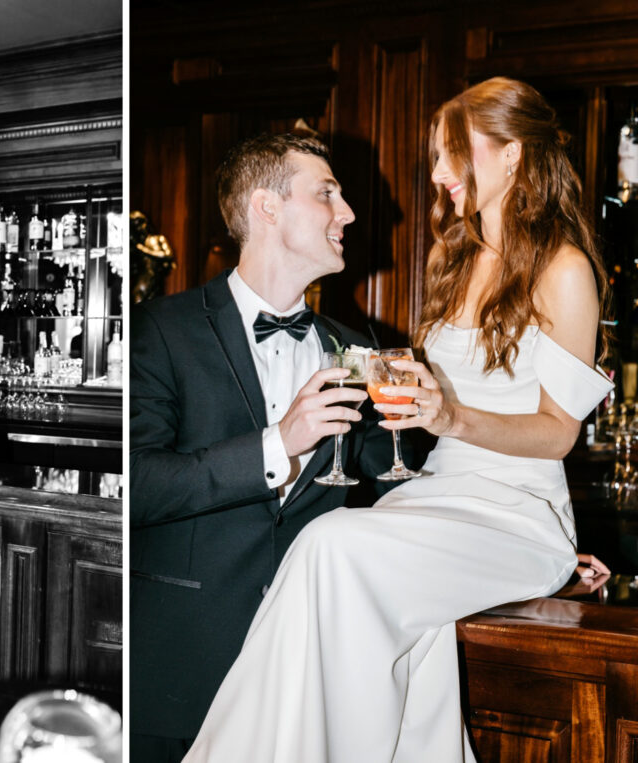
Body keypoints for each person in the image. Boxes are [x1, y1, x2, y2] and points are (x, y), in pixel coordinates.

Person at [182, 77, 614, 763]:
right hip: (434, 496)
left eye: (453, 154)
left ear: (512, 154)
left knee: (332, 546)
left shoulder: (564, 270)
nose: (438, 174)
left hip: (516, 510)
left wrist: (452, 415)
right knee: (331, 554)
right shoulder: (454, 259)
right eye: (436, 156)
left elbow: (558, 431)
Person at [130, 130, 402, 762]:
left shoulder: (356, 344)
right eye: (327, 193)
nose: (349, 213)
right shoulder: (161, 329)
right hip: (182, 672)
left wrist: (514, 540)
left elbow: (388, 489)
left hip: (311, 674)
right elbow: (139, 484)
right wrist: (276, 444)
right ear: (267, 207)